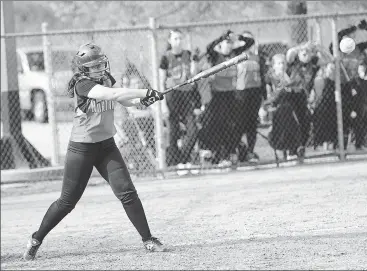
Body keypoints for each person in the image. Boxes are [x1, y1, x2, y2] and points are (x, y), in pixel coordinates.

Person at [23, 43, 165, 261]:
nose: (99, 68)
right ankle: (36, 239)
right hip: (82, 149)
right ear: (84, 69)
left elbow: (122, 98)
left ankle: (148, 239)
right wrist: (146, 90)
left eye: (101, 63)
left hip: (107, 146)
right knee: (67, 202)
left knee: (127, 192)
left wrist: (142, 101)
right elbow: (113, 93)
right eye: (94, 65)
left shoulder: (106, 78)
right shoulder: (83, 84)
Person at [198, 29, 254, 167]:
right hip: (218, 96)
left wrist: (237, 37)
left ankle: (230, 153)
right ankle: (220, 155)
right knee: (220, 125)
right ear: (220, 45)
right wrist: (221, 37)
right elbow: (208, 47)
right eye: (225, 43)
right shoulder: (215, 56)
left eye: (230, 44)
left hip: (232, 94)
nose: (228, 46)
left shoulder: (235, 54)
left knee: (234, 125)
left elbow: (250, 42)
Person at [158, 29, 201, 174]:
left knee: (193, 130)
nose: (178, 41)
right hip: (172, 96)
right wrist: (163, 104)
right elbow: (161, 83)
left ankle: (184, 160)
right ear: (170, 41)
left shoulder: (187, 54)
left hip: (186, 95)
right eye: (175, 39)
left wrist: (195, 60)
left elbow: (193, 75)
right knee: (173, 132)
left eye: (180, 38)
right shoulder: (165, 57)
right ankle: (177, 164)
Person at [285, 41, 333, 159]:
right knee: (292, 121)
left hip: (303, 95)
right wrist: (300, 48)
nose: (305, 54)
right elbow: (289, 54)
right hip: (290, 94)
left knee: (305, 122)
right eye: (303, 52)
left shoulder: (313, 62)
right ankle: (291, 150)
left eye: (308, 52)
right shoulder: (294, 61)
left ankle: (300, 147)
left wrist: (318, 49)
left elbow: (329, 59)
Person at [235, 31, 266, 163]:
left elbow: (263, 78)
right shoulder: (236, 56)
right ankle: (240, 150)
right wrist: (241, 39)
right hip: (240, 93)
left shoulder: (258, 58)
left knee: (252, 125)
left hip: (255, 92)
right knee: (239, 124)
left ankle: (250, 152)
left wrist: (264, 99)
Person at [329, 19, 367, 84]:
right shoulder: (335, 50)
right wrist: (354, 28)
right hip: (336, 82)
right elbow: (339, 35)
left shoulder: (357, 48)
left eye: (351, 37)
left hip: (352, 82)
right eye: (347, 36)